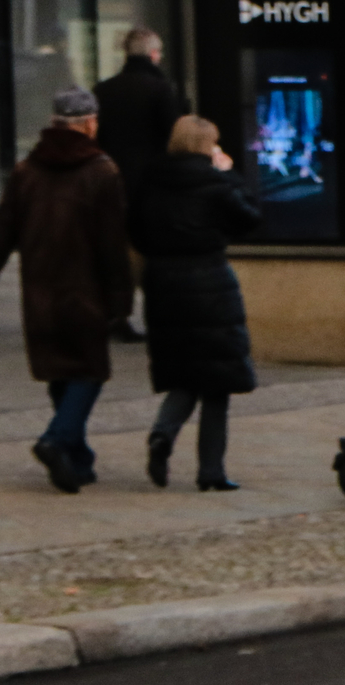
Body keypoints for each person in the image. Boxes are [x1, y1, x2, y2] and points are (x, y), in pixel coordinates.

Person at [0, 88, 135, 494]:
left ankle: (77, 459)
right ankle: (56, 440)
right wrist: (121, 300)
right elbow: (112, 244)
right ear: (90, 124)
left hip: (39, 290)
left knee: (60, 370)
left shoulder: (27, 171)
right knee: (88, 372)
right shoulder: (102, 171)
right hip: (84, 291)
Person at [132, 115, 259, 491]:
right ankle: (211, 471)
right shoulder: (214, 183)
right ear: (207, 147)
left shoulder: (150, 182)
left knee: (184, 371)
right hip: (209, 283)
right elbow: (249, 218)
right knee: (216, 380)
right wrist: (230, 175)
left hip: (163, 285)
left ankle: (163, 433)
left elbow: (136, 231)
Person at [95, 26, 185, 342]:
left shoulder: (103, 90)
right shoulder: (159, 89)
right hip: (150, 184)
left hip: (112, 182)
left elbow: (98, 138)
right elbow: (172, 135)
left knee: (116, 253)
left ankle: (115, 315)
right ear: (154, 55)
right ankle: (158, 316)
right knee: (150, 254)